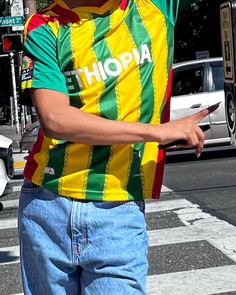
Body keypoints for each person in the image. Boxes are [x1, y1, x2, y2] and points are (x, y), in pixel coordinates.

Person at [19, 0, 218, 294]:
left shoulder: (156, 7)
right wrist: (157, 132)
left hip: (118, 208)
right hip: (47, 204)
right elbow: (54, 118)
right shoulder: (45, 26)